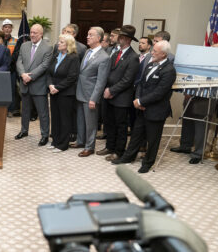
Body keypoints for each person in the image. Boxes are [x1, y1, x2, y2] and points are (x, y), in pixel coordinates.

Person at [112, 40, 176, 173]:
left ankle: (148, 163)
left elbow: (160, 92)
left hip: (156, 110)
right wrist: (138, 99)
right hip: (142, 107)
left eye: (155, 51)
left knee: (153, 139)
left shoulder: (169, 70)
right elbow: (141, 84)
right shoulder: (150, 64)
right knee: (136, 134)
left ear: (163, 54)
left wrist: (141, 102)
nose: (152, 53)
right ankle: (128, 157)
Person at [97, 25, 139, 161]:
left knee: (120, 126)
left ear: (127, 39)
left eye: (120, 36)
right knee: (108, 123)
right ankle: (110, 146)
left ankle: (119, 152)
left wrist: (112, 90)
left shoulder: (133, 57)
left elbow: (127, 80)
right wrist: (105, 89)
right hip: (108, 95)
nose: (117, 38)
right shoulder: (115, 53)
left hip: (121, 97)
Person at [72, 26, 110, 157]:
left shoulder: (104, 57)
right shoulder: (88, 52)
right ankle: (81, 141)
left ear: (98, 38)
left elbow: (101, 81)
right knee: (81, 120)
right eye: (88, 34)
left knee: (91, 123)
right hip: (80, 91)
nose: (87, 37)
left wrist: (94, 98)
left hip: (90, 95)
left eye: (90, 35)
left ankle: (89, 147)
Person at [15, 24, 52, 146]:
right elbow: (19, 61)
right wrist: (22, 74)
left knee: (43, 112)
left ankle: (45, 135)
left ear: (41, 34)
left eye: (35, 33)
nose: (32, 35)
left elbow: (44, 65)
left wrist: (30, 77)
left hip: (38, 85)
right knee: (25, 111)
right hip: (24, 84)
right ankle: (24, 130)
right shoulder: (24, 45)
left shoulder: (47, 48)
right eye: (31, 32)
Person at [47, 34, 80, 152]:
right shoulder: (56, 55)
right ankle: (55, 141)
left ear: (68, 45)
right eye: (59, 41)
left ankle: (63, 144)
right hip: (53, 91)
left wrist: (58, 87)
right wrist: (50, 85)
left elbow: (72, 77)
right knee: (55, 117)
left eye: (61, 42)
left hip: (65, 93)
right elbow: (49, 72)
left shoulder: (73, 57)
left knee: (64, 119)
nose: (58, 44)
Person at [2, 19, 20, 118]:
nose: (7, 29)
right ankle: (1, 108)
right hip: (0, 70)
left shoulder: (15, 41)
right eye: (5, 27)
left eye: (9, 27)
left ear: (11, 29)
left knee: (12, 90)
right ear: (2, 28)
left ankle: (10, 110)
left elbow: (16, 55)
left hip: (11, 69)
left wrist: (8, 63)